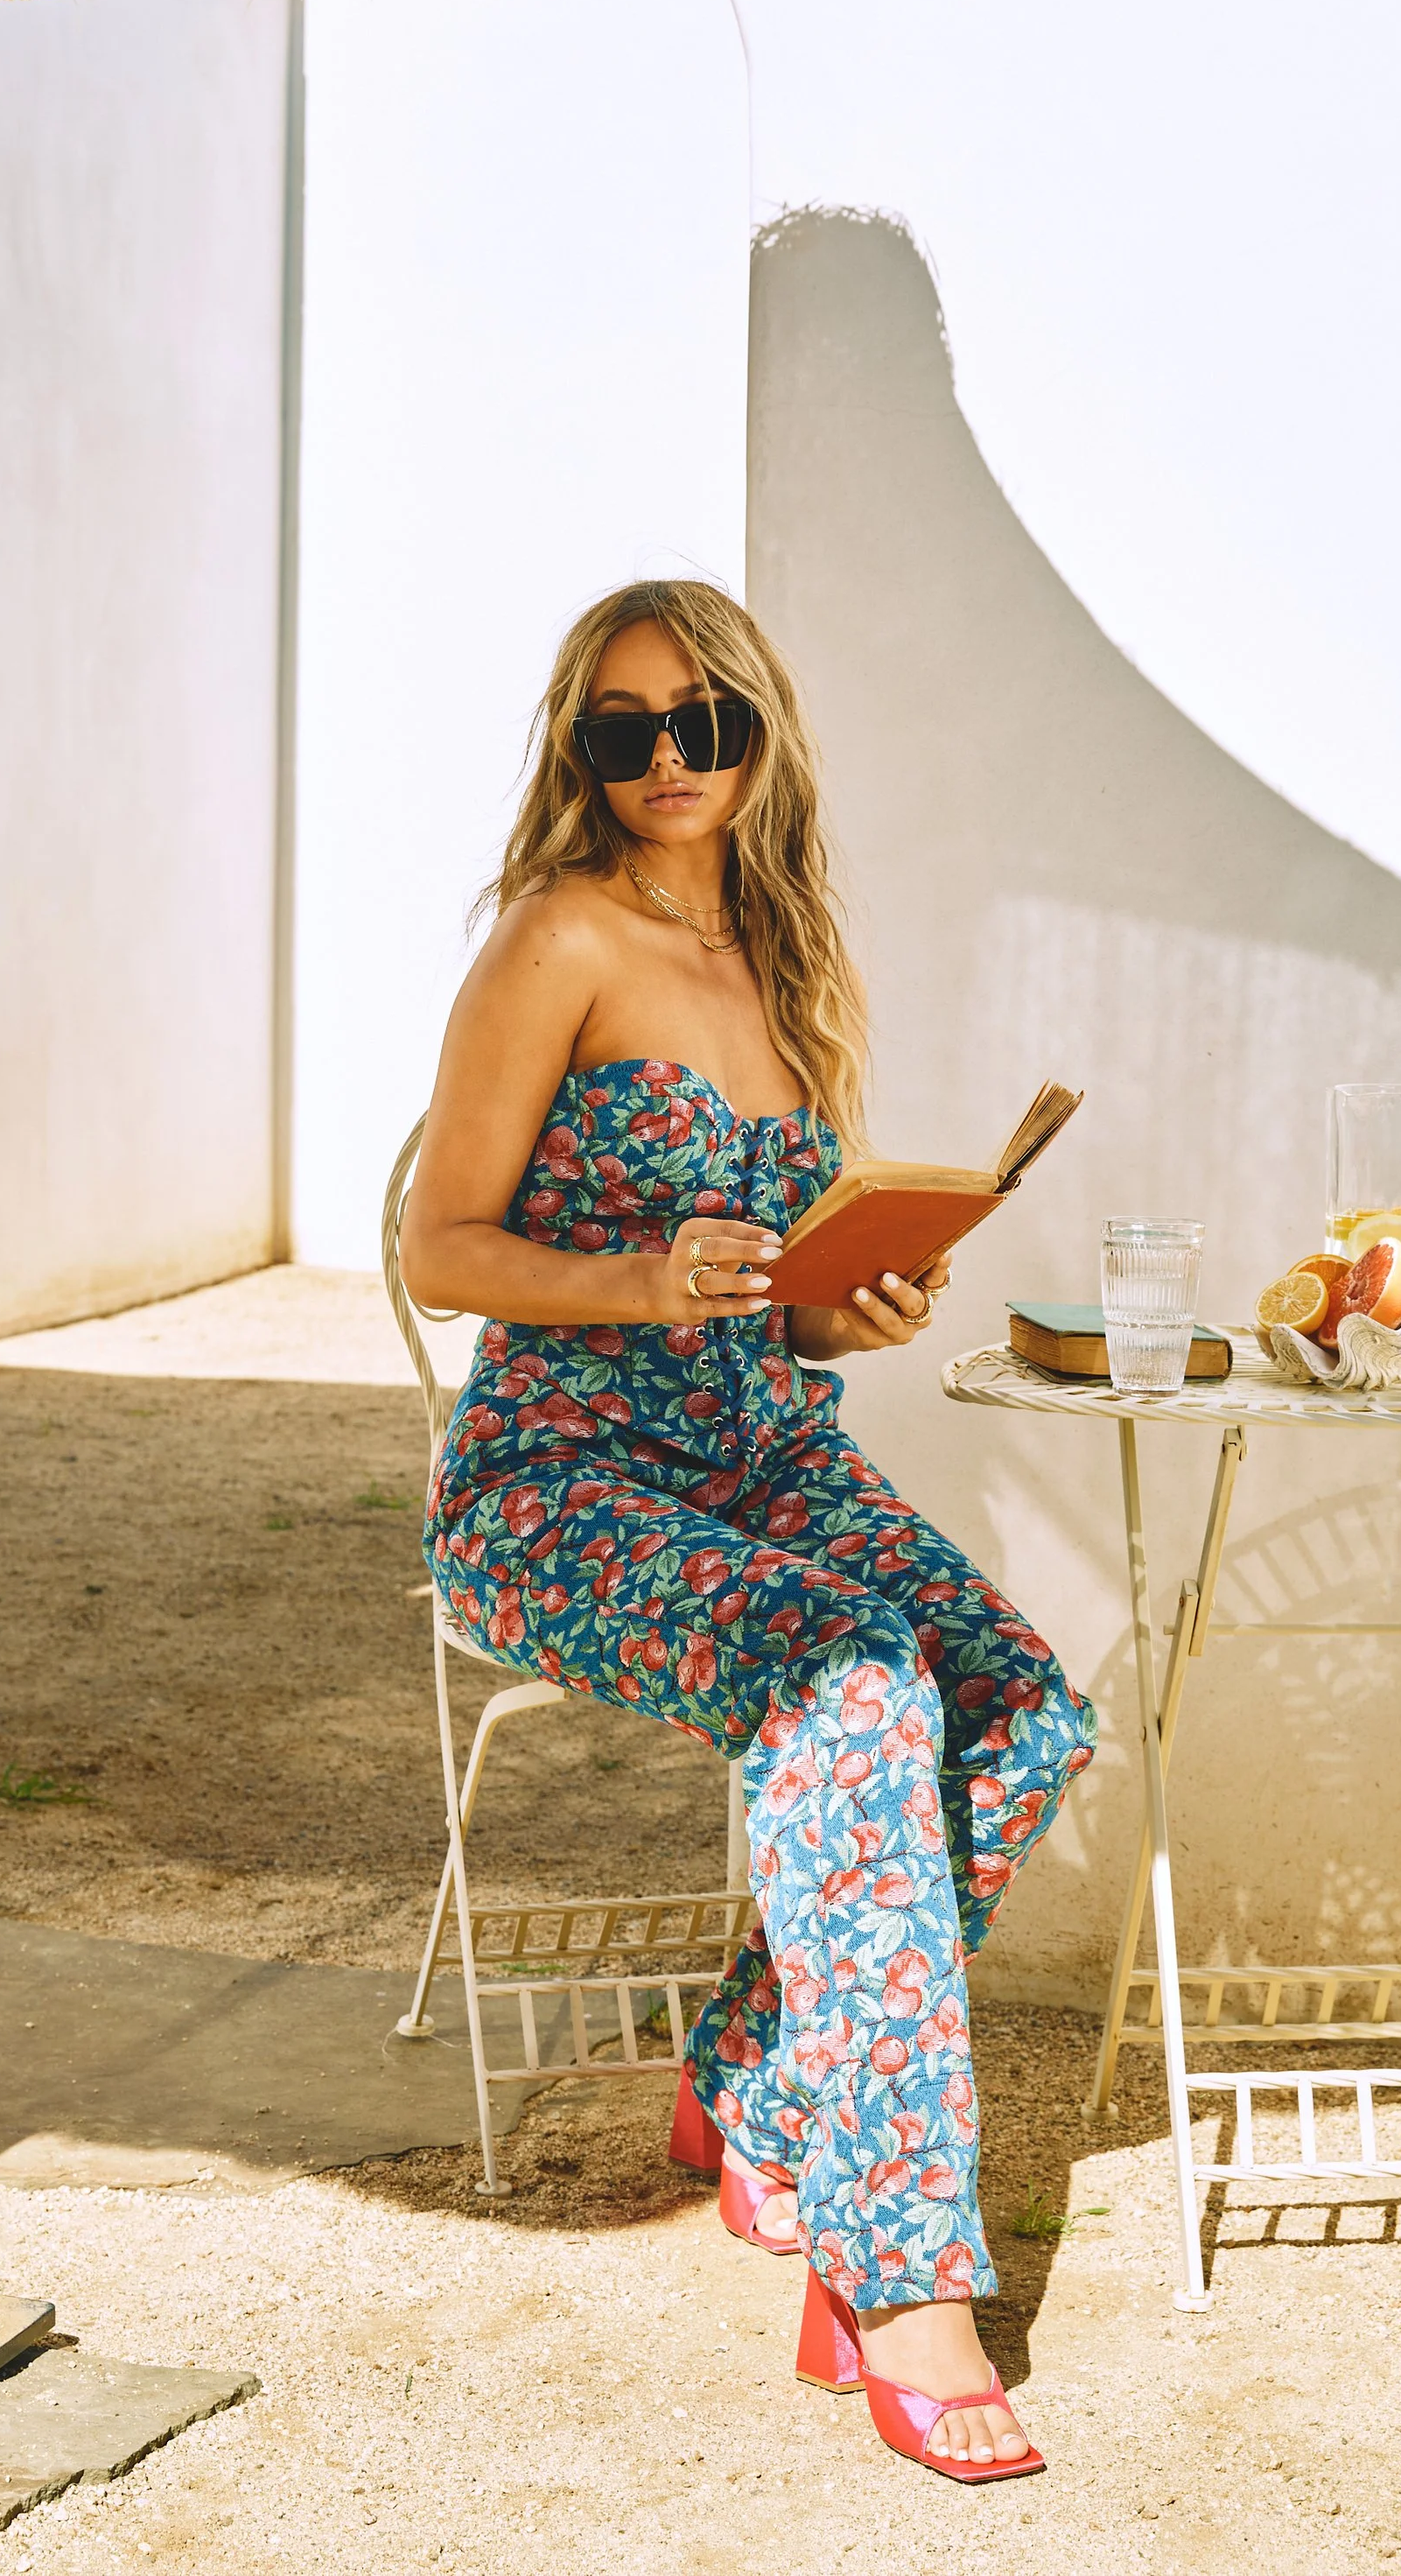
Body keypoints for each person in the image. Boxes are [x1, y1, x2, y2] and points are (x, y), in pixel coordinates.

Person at [401, 578, 1094, 2483]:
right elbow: (436, 1243)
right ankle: (899, 2279)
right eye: (622, 731)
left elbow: (771, 1288)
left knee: (1018, 1702)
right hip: (562, 1479)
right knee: (855, 1690)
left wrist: (840, 1309)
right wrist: (640, 1282)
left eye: (702, 723)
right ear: (579, 752)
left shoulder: (788, 966)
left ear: (760, 734)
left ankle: (758, 2088)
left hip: (761, 1452)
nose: (667, 763)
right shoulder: (555, 939)